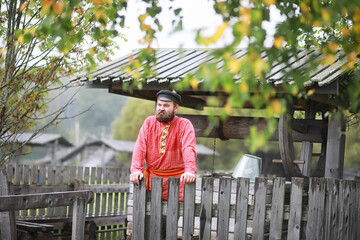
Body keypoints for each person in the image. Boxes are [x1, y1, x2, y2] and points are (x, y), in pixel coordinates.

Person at [130, 90, 197, 201]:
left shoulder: (184, 124)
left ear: (175, 108)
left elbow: (188, 148)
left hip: (177, 184)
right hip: (152, 183)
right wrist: (136, 169)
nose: (161, 108)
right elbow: (140, 146)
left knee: (171, 217)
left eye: (166, 105)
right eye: (159, 104)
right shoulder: (149, 122)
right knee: (150, 217)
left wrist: (190, 170)